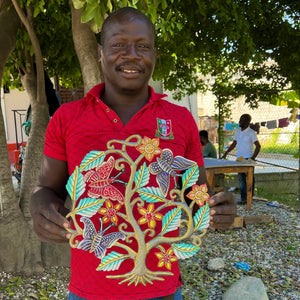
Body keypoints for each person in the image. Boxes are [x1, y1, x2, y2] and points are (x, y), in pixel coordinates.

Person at [30, 7, 236, 300]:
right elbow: (47, 188)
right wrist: (41, 209)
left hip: (161, 287)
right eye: (118, 45)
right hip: (89, 290)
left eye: (143, 46)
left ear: (154, 54)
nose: (131, 55)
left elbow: (195, 195)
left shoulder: (179, 120)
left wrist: (216, 208)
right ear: (100, 52)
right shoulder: (68, 118)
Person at [222, 114, 261, 205]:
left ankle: (249, 198)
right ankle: (244, 199)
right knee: (241, 179)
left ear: (248, 122)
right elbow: (234, 143)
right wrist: (226, 153)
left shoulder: (251, 132)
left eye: (242, 120)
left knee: (250, 178)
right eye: (240, 119)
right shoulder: (238, 131)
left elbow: (258, 146)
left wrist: (252, 158)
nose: (240, 121)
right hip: (239, 158)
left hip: (248, 158)